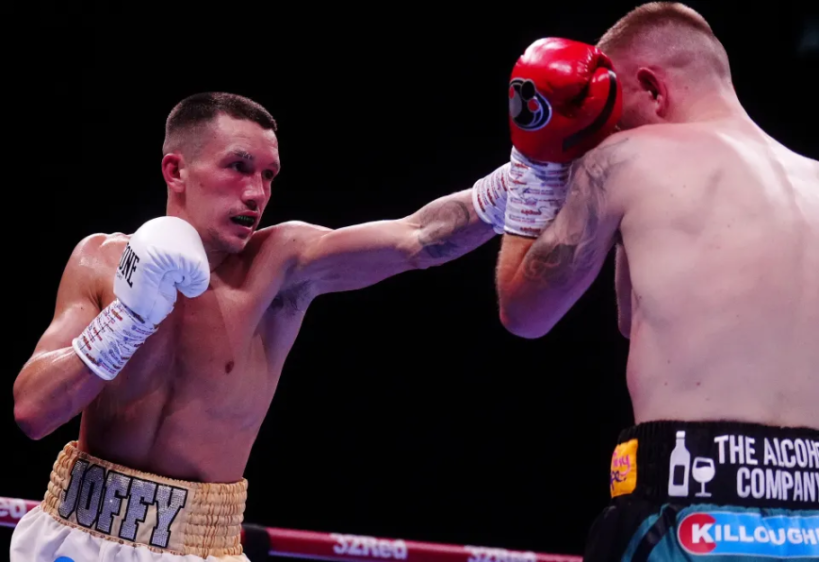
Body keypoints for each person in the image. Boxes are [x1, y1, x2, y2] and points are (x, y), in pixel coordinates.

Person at [10, 91, 510, 561]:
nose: (257, 192)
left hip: (196, 548)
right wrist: (127, 318)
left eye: (269, 175)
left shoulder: (281, 265)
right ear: (176, 169)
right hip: (71, 534)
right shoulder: (100, 260)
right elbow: (33, 411)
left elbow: (417, 237)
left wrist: (522, 179)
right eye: (238, 167)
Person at [492, 2, 819, 561]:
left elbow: (524, 313)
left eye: (612, 112)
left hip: (689, 507)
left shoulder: (625, 157)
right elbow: (634, 317)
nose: (602, 129)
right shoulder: (814, 178)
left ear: (650, 87)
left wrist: (535, 159)